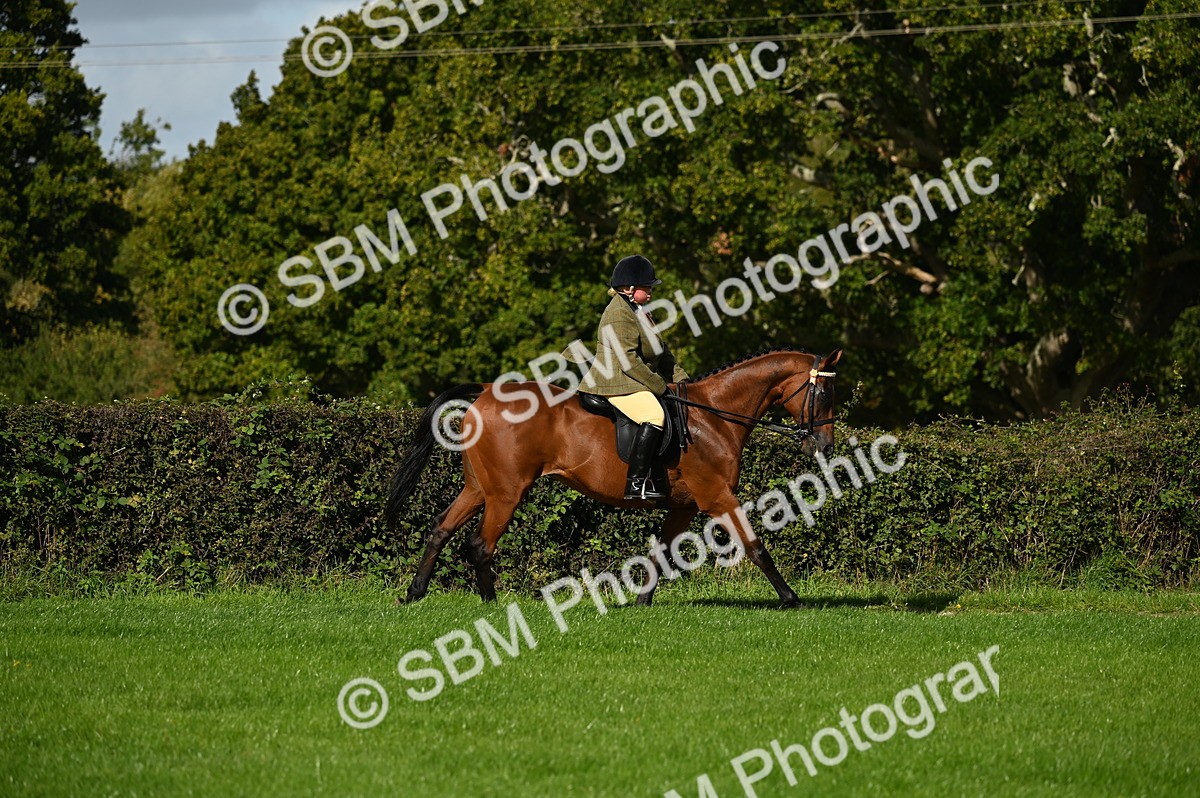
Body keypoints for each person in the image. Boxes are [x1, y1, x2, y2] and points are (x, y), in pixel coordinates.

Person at [575, 254, 689, 500]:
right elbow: (628, 361)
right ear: (628, 289)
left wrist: (683, 380)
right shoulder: (618, 313)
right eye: (646, 287)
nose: (650, 291)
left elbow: (662, 353)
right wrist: (660, 386)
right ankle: (635, 482)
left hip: (632, 378)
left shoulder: (641, 311)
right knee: (654, 414)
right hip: (613, 381)